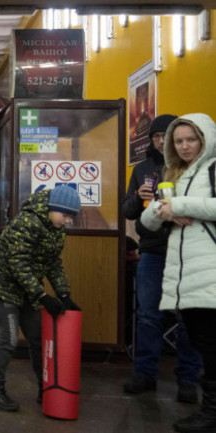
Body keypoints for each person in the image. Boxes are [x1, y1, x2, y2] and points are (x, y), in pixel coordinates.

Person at [140, 113, 216, 433]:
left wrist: (181, 205)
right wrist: (165, 209)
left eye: (191, 140)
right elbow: (146, 222)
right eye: (179, 141)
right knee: (202, 340)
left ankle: (211, 412)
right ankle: (209, 408)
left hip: (209, 271)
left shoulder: (213, 169)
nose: (185, 146)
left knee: (210, 345)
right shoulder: (177, 174)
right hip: (189, 276)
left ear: (206, 139)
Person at [0, 184, 82, 412]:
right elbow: (18, 263)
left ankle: (46, 388)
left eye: (71, 217)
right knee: (9, 339)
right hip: (3, 284)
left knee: (38, 339)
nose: (67, 221)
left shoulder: (55, 228)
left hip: (26, 288)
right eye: (66, 215)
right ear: (54, 208)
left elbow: (53, 263)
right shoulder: (28, 222)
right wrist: (43, 296)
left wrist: (64, 294)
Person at [122, 114, 202, 403]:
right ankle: (144, 374)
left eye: (164, 136)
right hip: (153, 250)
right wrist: (136, 198)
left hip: (188, 249)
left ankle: (189, 380)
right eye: (155, 137)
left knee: (189, 317)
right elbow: (128, 210)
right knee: (147, 315)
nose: (159, 141)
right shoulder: (143, 168)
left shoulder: (193, 168)